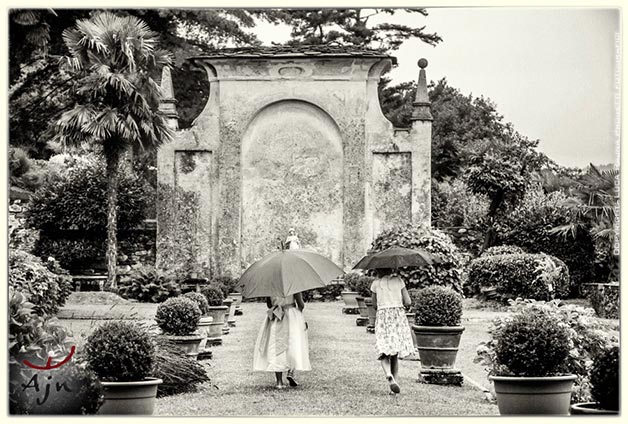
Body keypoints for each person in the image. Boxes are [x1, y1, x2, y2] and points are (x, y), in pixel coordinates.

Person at [370, 268, 414, 394]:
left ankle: (389, 375)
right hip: (398, 316)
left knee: (383, 349)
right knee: (394, 352)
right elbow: (408, 302)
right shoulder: (399, 281)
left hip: (383, 317)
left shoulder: (375, 284)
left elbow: (374, 305)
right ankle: (395, 383)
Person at [253, 293, 311, 389]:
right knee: (293, 343)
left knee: (277, 346)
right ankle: (291, 372)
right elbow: (301, 304)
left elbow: (269, 304)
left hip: (276, 315)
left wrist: (277, 302)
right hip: (291, 316)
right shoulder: (293, 284)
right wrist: (298, 314)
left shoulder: (271, 286)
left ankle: (279, 382)